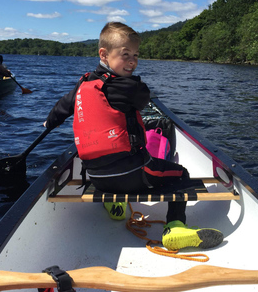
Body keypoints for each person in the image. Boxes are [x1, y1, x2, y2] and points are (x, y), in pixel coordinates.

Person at [44, 22, 223, 251]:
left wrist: (49, 123)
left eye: (136, 55)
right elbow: (142, 99)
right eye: (125, 54)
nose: (132, 61)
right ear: (104, 54)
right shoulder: (129, 87)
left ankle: (115, 206)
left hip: (97, 179)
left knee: (116, 167)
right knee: (181, 173)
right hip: (132, 174)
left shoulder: (83, 84)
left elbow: (60, 109)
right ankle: (175, 226)